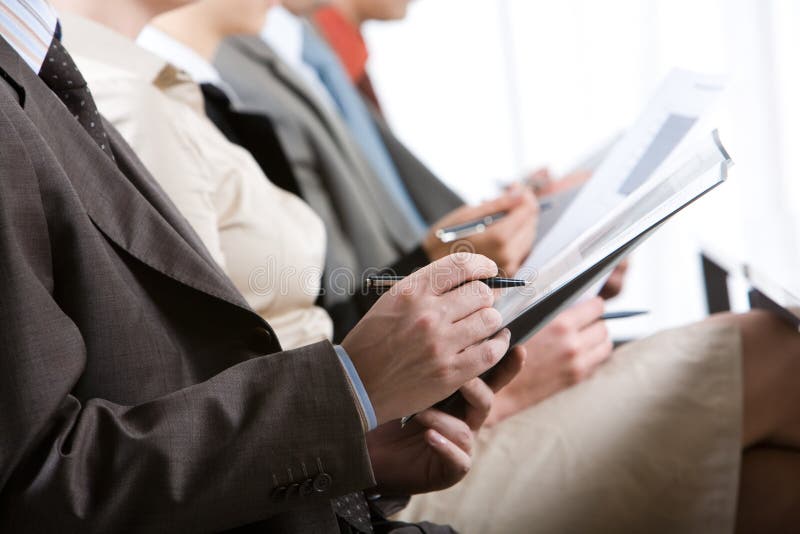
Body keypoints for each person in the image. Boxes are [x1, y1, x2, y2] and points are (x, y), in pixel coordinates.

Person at [219, 2, 800, 532]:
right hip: (422, 421)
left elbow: (406, 248)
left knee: (775, 486)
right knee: (779, 351)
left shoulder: (313, 59)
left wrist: (537, 234)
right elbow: (343, 302)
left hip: (448, 373)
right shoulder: (244, 78)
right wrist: (495, 367)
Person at [0, 0, 525, 531]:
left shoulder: (51, 71)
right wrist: (348, 396)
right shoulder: (87, 91)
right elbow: (37, 486)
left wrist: (356, 451)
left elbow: (169, 377)